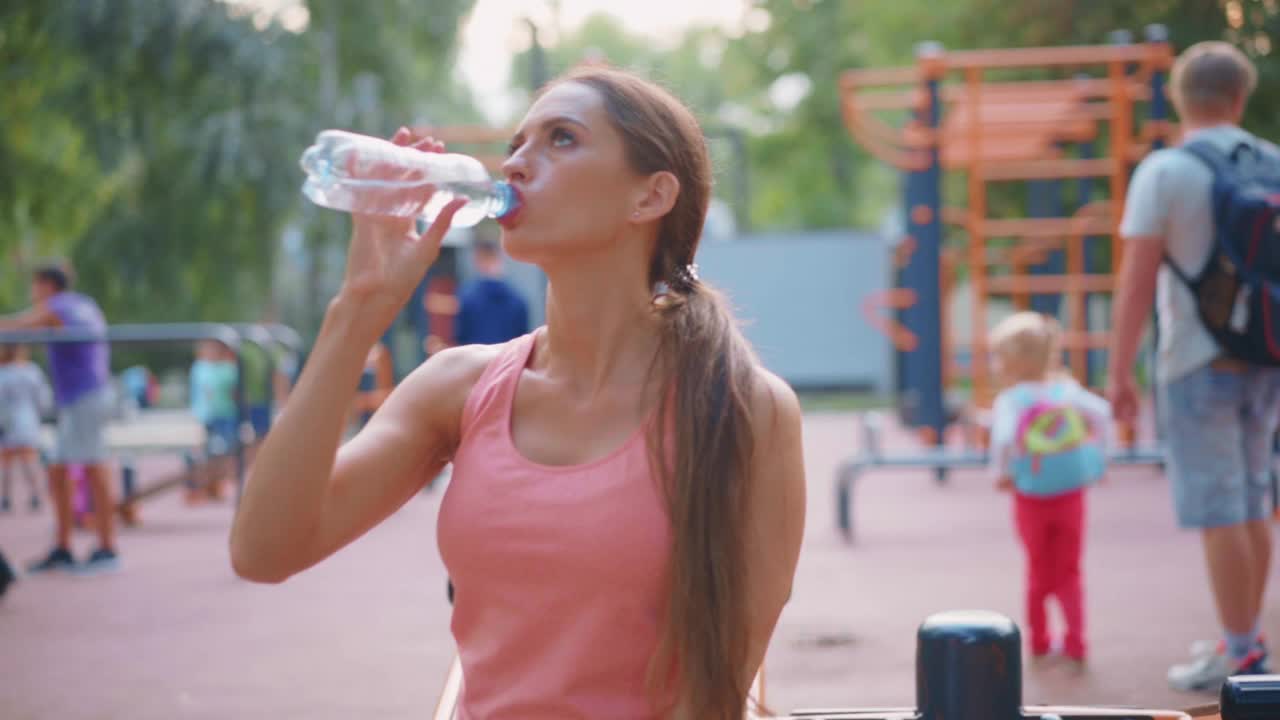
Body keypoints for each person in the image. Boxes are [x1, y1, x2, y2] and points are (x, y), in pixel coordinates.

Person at [230, 68, 806, 719]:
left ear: (649, 197)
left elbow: (719, 690)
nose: (515, 165)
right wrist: (359, 309)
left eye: (561, 139)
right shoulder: (459, 388)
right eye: (516, 143)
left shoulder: (743, 407)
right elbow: (264, 551)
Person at [1108, 41, 1278, 691]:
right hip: (1266, 351)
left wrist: (1120, 373)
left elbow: (1137, 280)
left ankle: (1240, 653)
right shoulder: (1271, 161)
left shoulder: (1166, 171)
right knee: (1254, 499)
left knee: (1219, 508)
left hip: (1197, 358)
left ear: (1181, 98)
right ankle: (1247, 640)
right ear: (1240, 96)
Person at [989, 312, 1111, 673]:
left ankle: (1040, 641)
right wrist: (1101, 461)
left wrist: (1001, 473)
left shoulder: (1011, 400)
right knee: (1070, 569)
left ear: (1011, 362)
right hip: (1072, 494)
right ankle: (1076, 641)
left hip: (1031, 496)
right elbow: (1103, 414)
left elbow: (1004, 439)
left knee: (1037, 570)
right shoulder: (1067, 392)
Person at [0, 263, 119, 574]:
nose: (33, 292)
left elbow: (20, 325)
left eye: (35, 285)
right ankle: (64, 547)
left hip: (84, 397)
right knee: (58, 469)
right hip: (88, 395)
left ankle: (107, 548)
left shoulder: (57, 306)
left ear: (46, 285)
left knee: (93, 466)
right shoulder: (84, 304)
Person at [0, 344, 52, 512]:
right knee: (29, 459)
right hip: (28, 420)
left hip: (6, 421)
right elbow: (43, 399)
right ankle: (35, 494)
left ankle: (5, 497)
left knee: (6, 462)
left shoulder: (3, 373)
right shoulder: (31, 371)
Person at [189, 340, 240, 502]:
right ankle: (202, 486)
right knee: (206, 452)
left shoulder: (227, 369)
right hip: (206, 416)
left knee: (221, 452)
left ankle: (215, 484)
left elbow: (233, 392)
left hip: (224, 415)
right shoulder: (200, 368)